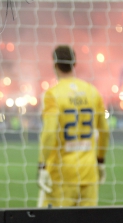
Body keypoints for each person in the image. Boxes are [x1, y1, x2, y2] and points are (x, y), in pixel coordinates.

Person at [37, 45, 110, 207]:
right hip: (89, 173)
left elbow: (49, 132)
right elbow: (104, 131)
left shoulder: (53, 95)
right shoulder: (92, 92)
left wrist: (42, 165)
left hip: (61, 175)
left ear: (55, 64)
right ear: (74, 63)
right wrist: (100, 161)